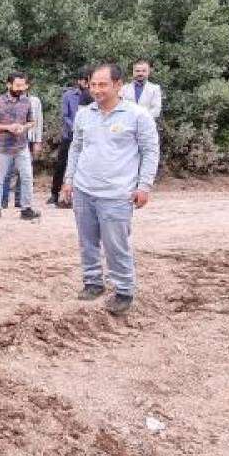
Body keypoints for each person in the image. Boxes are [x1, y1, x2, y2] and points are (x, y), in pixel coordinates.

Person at [61, 63, 159, 315]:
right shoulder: (84, 114)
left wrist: (144, 186)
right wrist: (69, 180)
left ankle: (124, 290)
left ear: (118, 85)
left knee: (116, 244)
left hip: (117, 194)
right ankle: (93, 282)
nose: (96, 89)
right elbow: (76, 148)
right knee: (87, 242)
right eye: (93, 84)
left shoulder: (137, 115)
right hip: (84, 190)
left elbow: (150, 152)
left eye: (102, 84)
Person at [0, 72, 39, 222]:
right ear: (8, 85)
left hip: (21, 146)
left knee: (27, 177)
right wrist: (8, 127)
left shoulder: (27, 101)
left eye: (23, 85)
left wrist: (24, 128)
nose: (20, 88)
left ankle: (26, 209)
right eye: (17, 85)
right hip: (2, 148)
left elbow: (31, 121)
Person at [49, 66, 91, 206]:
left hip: (88, 136)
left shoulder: (94, 95)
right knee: (61, 164)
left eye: (88, 81)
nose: (86, 84)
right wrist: (74, 126)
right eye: (84, 81)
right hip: (69, 135)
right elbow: (65, 115)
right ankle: (54, 194)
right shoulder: (68, 95)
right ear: (79, 81)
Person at [0, 81, 43, 210]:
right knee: (7, 170)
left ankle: (20, 200)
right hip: (11, 139)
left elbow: (38, 121)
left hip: (29, 139)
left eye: (24, 84)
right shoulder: (7, 100)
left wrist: (38, 141)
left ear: (27, 85)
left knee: (24, 172)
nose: (21, 87)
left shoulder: (35, 101)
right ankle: (3, 200)